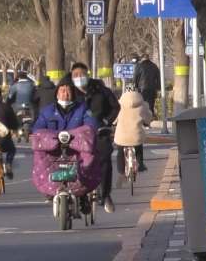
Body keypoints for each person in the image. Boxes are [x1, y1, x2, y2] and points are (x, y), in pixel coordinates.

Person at [31, 78, 99, 208]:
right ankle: (50, 190)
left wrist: (81, 134)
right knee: (40, 156)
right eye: (62, 91)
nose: (65, 94)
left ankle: (83, 193)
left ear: (73, 93)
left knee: (90, 159)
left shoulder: (83, 109)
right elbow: (38, 128)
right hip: (54, 150)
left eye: (68, 91)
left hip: (77, 149)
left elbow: (91, 125)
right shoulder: (47, 111)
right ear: (57, 93)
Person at [68, 63, 120, 213]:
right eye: (75, 75)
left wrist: (106, 121)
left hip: (99, 132)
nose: (79, 78)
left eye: (81, 74)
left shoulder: (100, 90)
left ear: (88, 74)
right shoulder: (69, 92)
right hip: (76, 134)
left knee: (104, 160)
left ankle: (105, 195)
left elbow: (115, 107)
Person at [114, 90, 152, 180]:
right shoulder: (143, 105)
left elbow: (114, 119)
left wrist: (114, 123)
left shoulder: (119, 105)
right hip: (136, 135)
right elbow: (148, 118)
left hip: (122, 136)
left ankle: (121, 171)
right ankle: (140, 165)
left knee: (120, 152)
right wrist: (147, 123)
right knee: (139, 148)